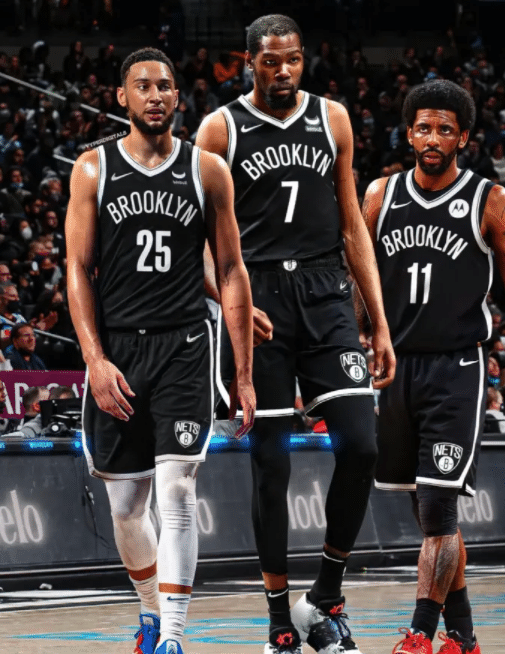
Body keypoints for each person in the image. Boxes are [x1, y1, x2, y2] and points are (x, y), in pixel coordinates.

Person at [196, 14, 395, 654]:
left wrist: (378, 319)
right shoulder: (219, 129)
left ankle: (325, 596)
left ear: (303, 58)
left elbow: (352, 224)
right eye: (270, 61)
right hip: (258, 297)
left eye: (292, 59)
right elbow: (200, 242)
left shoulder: (333, 118)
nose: (283, 71)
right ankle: (280, 619)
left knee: (361, 445)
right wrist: (230, 301)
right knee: (271, 462)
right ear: (248, 61)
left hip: (325, 291)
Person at [358, 80, 505, 654]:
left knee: (439, 506)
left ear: (463, 138)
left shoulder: (491, 201)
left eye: (445, 129)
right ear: (408, 132)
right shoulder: (379, 196)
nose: (432, 138)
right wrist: (354, 344)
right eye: (423, 127)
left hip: (457, 368)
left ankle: (420, 634)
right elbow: (359, 281)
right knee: (431, 518)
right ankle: (465, 639)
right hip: (395, 368)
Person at [65, 47, 256, 654]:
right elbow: (77, 268)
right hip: (119, 350)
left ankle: (172, 636)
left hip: (184, 346)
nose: (155, 95)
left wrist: (244, 374)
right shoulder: (92, 169)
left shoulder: (208, 170)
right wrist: (94, 359)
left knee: (176, 491)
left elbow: (231, 269)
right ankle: (150, 612)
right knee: (127, 505)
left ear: (178, 95)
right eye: (143, 86)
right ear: (122, 96)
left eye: (165, 86)